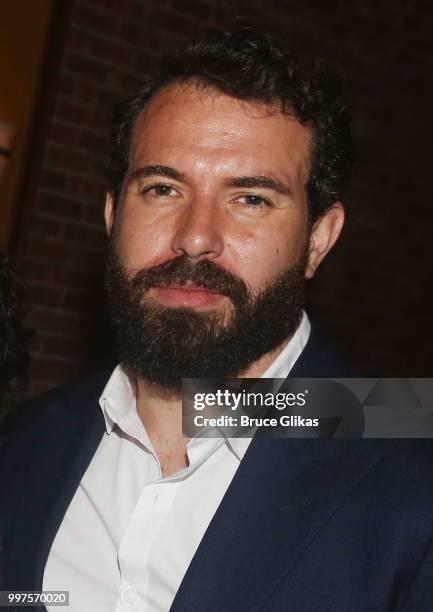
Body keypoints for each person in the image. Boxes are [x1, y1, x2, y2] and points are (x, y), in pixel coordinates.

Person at [1, 25, 433, 612]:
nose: (196, 238)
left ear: (318, 240)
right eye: (162, 188)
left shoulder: (409, 462)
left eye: (250, 199)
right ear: (112, 214)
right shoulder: (26, 439)